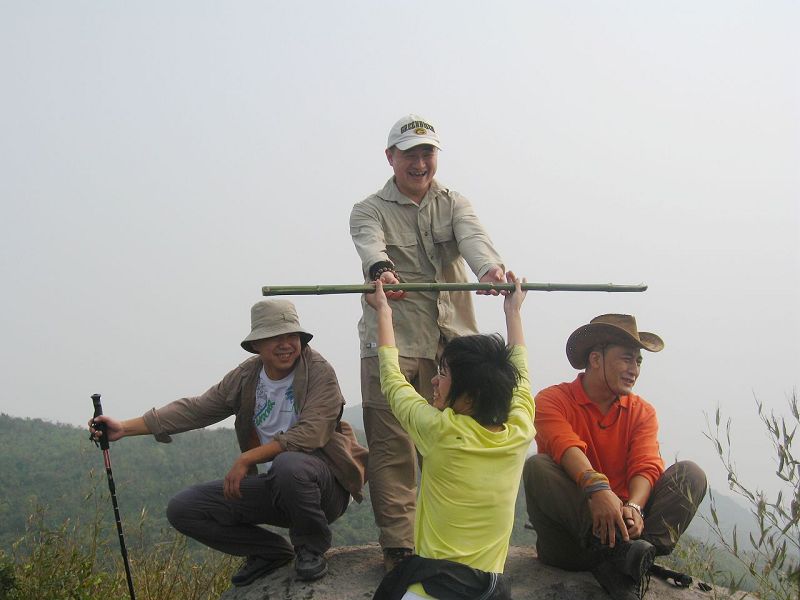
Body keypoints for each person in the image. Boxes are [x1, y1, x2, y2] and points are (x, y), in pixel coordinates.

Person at [88, 299, 368, 586]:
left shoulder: (318, 371)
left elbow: (310, 433)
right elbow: (197, 409)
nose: (286, 344)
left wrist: (248, 458)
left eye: (291, 335)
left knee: (289, 464)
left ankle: (310, 548)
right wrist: (124, 427)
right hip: (278, 486)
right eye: (275, 337)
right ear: (257, 344)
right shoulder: (248, 376)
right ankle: (270, 552)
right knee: (184, 509)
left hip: (324, 488)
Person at [349, 113, 507, 571]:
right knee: (392, 447)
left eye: (427, 153)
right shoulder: (368, 209)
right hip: (392, 342)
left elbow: (474, 240)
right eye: (410, 154)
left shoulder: (454, 203)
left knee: (459, 439)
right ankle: (401, 548)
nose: (419, 163)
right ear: (390, 157)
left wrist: (489, 270)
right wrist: (381, 270)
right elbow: (371, 246)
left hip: (452, 345)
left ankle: (454, 541)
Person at [366, 273, 534, 600]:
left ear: (469, 396)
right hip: (490, 588)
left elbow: (393, 381)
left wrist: (384, 312)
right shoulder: (520, 431)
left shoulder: (441, 432)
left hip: (435, 589)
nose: (434, 381)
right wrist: (513, 312)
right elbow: (521, 375)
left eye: (443, 374)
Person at [522, 314, 707, 600]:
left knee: (690, 475)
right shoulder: (552, 400)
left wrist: (634, 507)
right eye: (627, 359)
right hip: (573, 542)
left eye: (638, 362)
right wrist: (598, 490)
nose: (634, 370)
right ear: (596, 359)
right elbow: (565, 447)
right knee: (537, 467)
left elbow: (646, 464)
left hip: (629, 529)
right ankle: (620, 555)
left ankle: (632, 555)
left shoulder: (642, 412)